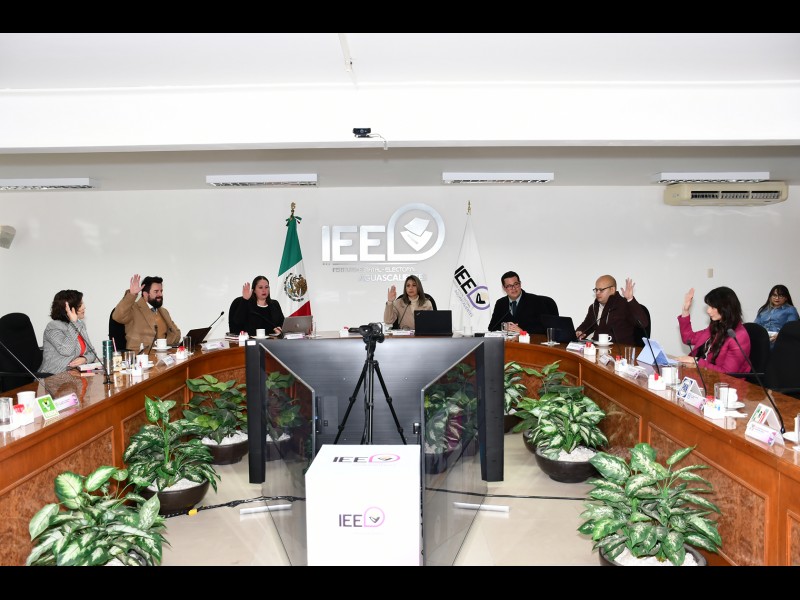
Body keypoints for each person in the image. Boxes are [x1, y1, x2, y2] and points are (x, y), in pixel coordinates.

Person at [675, 286, 751, 374]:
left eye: (713, 307)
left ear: (726, 309)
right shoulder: (717, 326)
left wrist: (696, 361)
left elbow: (728, 373)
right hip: (705, 375)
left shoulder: (739, 336)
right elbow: (688, 338)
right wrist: (685, 310)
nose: (708, 310)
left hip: (724, 381)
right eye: (708, 306)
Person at [112, 274, 181, 351]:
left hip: (164, 354)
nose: (160, 294)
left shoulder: (164, 312)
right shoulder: (133, 309)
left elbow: (176, 333)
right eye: (156, 291)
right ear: (145, 294)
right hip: (141, 355)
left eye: (161, 291)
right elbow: (118, 316)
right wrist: (132, 294)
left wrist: (164, 344)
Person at [575, 275, 649, 345]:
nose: (597, 293)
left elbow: (643, 323)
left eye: (601, 290)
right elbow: (587, 324)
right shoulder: (594, 307)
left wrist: (630, 299)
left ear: (612, 290)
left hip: (620, 350)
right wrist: (580, 331)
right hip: (597, 349)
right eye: (596, 290)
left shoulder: (624, 304)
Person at [39, 290, 99, 375]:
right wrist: (73, 323)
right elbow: (66, 351)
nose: (84, 307)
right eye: (80, 305)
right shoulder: (53, 327)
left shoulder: (80, 324)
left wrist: (85, 359)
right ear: (69, 309)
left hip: (75, 373)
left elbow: (92, 353)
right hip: (54, 376)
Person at [488, 271, 556, 334]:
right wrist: (504, 327)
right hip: (508, 342)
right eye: (509, 286)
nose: (513, 288)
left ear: (520, 284)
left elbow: (545, 328)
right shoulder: (500, 303)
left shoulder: (536, 301)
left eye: (516, 284)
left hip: (530, 341)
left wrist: (522, 331)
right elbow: (491, 327)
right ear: (504, 288)